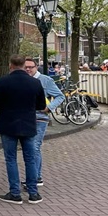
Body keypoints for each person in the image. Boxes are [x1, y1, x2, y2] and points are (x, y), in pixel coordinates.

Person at [0, 54, 46, 205]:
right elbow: (41, 106)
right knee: (30, 159)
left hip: (8, 124)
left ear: (10, 65)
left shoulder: (3, 82)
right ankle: (34, 193)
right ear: (23, 65)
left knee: (11, 159)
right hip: (28, 124)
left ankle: (15, 193)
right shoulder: (35, 83)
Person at [24, 58, 65, 188]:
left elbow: (60, 96)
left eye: (31, 67)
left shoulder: (45, 80)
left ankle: (35, 178)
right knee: (32, 147)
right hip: (26, 117)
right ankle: (36, 176)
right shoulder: (23, 80)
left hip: (40, 117)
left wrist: (49, 108)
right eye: (26, 67)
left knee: (34, 146)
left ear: (36, 67)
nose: (28, 69)